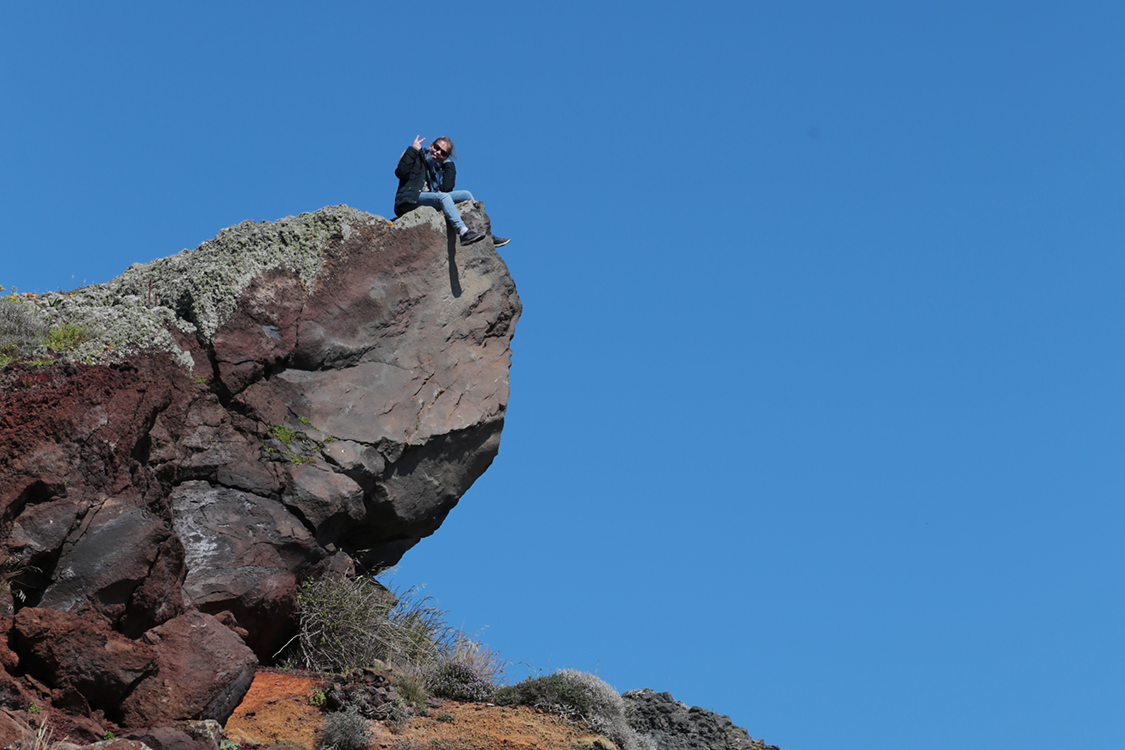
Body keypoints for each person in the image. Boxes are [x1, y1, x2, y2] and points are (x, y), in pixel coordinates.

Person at [394, 135, 510, 247]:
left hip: (429, 198)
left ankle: (484, 234)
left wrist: (448, 164)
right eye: (436, 148)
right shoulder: (417, 156)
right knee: (443, 197)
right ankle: (463, 233)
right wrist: (414, 149)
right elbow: (401, 172)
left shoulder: (438, 169)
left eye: (443, 153)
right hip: (410, 199)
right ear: (431, 146)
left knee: (466, 195)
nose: (438, 152)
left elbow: (447, 188)